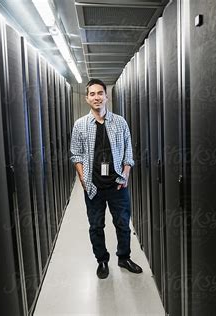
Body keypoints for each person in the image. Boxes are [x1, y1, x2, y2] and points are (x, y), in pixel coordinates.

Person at [70, 78, 142, 279]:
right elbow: (75, 154)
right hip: (93, 186)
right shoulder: (80, 125)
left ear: (106, 96)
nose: (96, 97)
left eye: (100, 93)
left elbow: (128, 150)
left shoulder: (120, 122)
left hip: (117, 184)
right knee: (96, 226)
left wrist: (126, 174)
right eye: (92, 94)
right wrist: (83, 178)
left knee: (122, 223)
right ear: (87, 98)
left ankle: (124, 257)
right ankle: (102, 260)